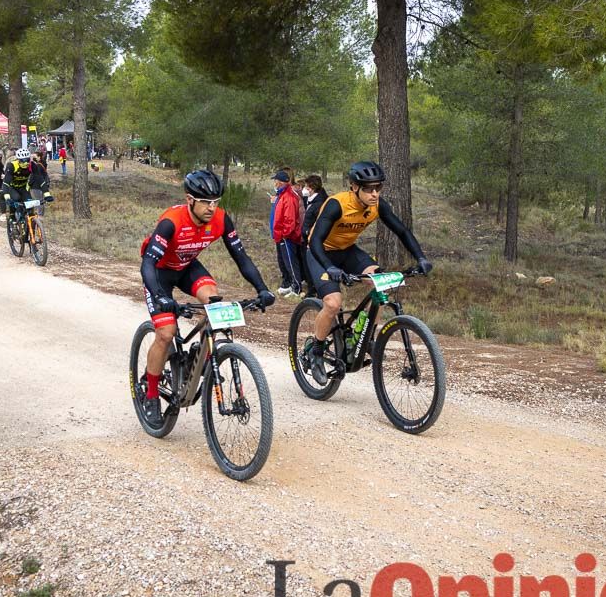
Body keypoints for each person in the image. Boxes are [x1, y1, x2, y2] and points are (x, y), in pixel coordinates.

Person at [137, 170, 276, 422]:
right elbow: (148, 263)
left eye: (216, 202)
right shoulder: (171, 222)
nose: (212, 208)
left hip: (187, 267)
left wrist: (262, 288)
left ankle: (201, 357)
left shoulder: (222, 220)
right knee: (166, 333)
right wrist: (160, 296)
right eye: (205, 202)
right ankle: (151, 394)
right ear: (190, 200)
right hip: (158, 272)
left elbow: (241, 258)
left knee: (214, 300)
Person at [302, 161, 433, 383]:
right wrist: (331, 268)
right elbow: (314, 241)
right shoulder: (337, 204)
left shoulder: (377, 205)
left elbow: (401, 230)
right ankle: (316, 350)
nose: (374, 194)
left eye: (378, 188)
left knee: (381, 285)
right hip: (320, 253)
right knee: (333, 303)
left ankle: (364, 338)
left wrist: (420, 258)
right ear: (354, 187)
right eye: (369, 189)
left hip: (347, 251)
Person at [271, 169, 304, 297]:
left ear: (280, 182)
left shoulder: (289, 197)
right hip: (281, 235)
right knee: (284, 261)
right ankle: (291, 284)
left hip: (287, 237)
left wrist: (285, 234)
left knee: (290, 262)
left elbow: (290, 219)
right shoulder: (283, 195)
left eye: (276, 180)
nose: (274, 183)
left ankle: (297, 287)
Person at [0, 148, 52, 222]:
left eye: (27, 160)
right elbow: (6, 183)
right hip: (12, 188)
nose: (26, 163)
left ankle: (30, 228)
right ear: (18, 160)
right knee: (16, 199)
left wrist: (47, 194)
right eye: (23, 161)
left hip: (23, 188)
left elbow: (40, 180)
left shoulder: (32, 165)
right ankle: (12, 220)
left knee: (30, 205)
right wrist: (7, 197)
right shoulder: (12, 166)